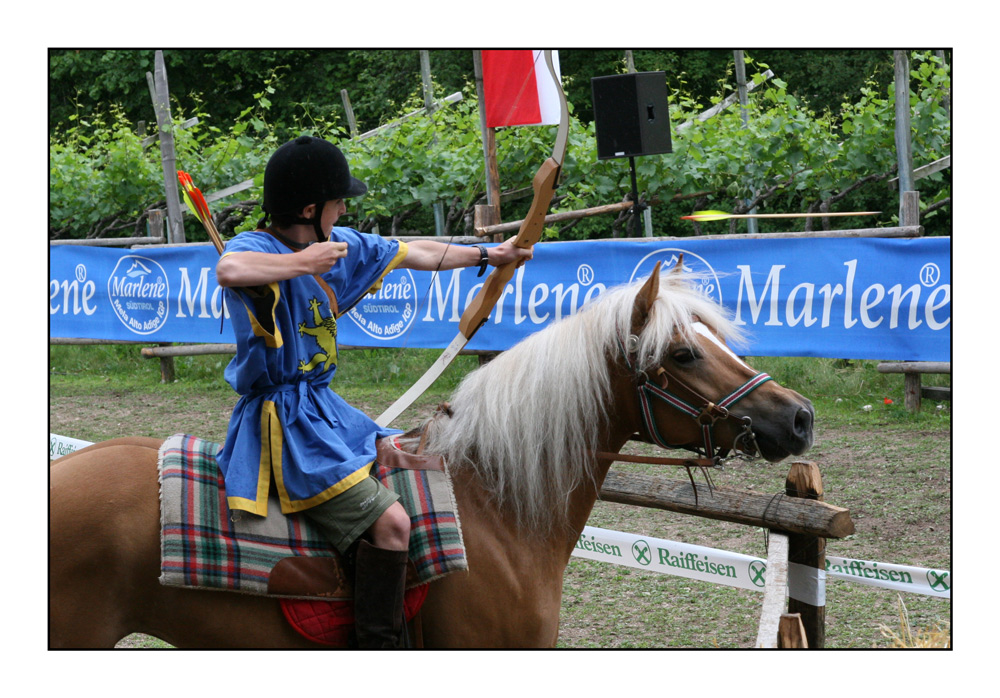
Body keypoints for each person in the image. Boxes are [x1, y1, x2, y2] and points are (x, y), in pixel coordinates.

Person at [215, 135, 532, 647]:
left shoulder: (338, 244)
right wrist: (305, 264)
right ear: (310, 208)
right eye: (338, 202)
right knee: (390, 525)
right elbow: (229, 270)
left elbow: (417, 251)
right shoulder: (258, 248)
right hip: (284, 420)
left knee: (408, 455)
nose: (345, 209)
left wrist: (489, 254)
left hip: (322, 408)